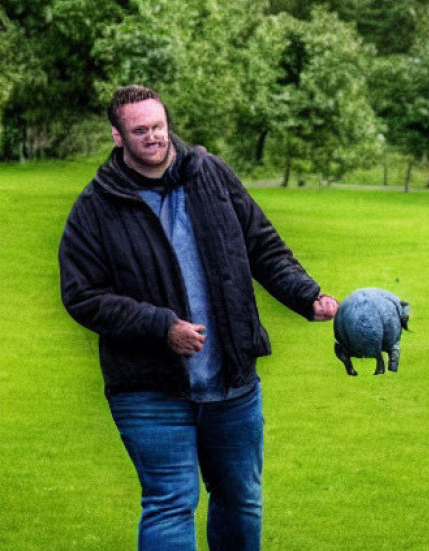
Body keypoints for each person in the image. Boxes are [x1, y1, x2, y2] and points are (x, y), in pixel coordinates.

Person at [59, 84, 340, 551]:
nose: (153, 137)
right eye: (139, 130)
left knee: (240, 499)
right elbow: (82, 295)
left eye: (158, 125)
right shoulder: (95, 208)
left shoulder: (211, 174)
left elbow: (262, 245)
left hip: (231, 380)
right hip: (148, 388)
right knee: (170, 501)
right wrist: (160, 327)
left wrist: (307, 296)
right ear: (117, 136)